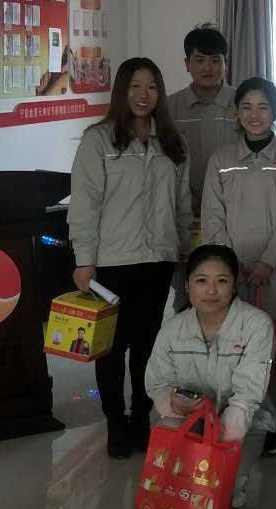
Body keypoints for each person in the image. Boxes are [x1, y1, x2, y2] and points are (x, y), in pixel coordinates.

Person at [67, 57, 191, 458]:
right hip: (111, 262)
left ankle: (141, 418)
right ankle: (115, 422)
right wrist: (84, 260)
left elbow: (182, 205)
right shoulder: (98, 140)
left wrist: (183, 255)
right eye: (135, 86)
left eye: (151, 87)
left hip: (158, 259)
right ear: (121, 91)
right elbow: (84, 206)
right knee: (111, 347)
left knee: (147, 346)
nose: (143, 95)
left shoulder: (172, 142)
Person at [202, 77, 276, 454]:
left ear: (275, 113)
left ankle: (272, 418)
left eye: (263, 107)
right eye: (246, 107)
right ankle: (233, 417)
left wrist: (267, 261)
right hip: (229, 275)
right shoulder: (220, 160)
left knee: (275, 347)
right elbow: (212, 218)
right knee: (231, 346)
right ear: (236, 113)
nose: (254, 115)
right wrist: (228, 267)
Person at [145, 244, 276, 508]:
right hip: (186, 418)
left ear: (235, 285)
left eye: (222, 281)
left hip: (241, 423)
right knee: (177, 493)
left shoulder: (257, 325)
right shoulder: (172, 330)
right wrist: (172, 402)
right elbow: (158, 382)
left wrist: (215, 456)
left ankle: (233, 483)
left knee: (220, 497)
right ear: (187, 286)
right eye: (201, 281)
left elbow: (247, 395)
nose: (211, 291)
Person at [167, 25, 240, 311]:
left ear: (226, 62)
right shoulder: (170, 109)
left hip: (233, 213)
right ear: (187, 64)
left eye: (215, 60)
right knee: (187, 291)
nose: (208, 68)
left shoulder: (242, 104)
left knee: (232, 290)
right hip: (187, 215)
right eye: (199, 60)